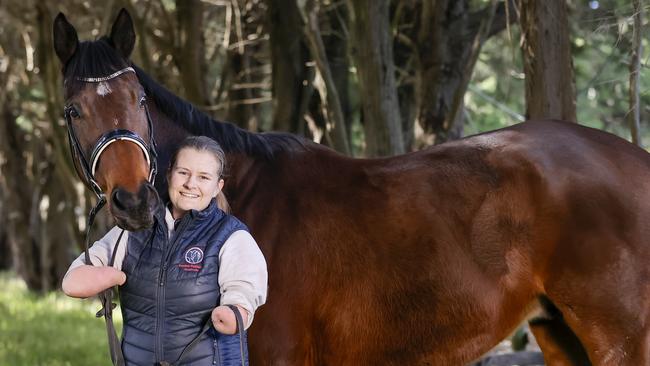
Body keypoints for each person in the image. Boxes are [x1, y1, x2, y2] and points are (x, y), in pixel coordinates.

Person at [62, 136, 268, 366]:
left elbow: (245, 291)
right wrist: (101, 275)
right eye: (183, 173)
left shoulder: (232, 236)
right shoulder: (134, 229)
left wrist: (235, 311)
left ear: (217, 186)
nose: (191, 184)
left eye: (203, 177)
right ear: (169, 174)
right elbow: (86, 266)